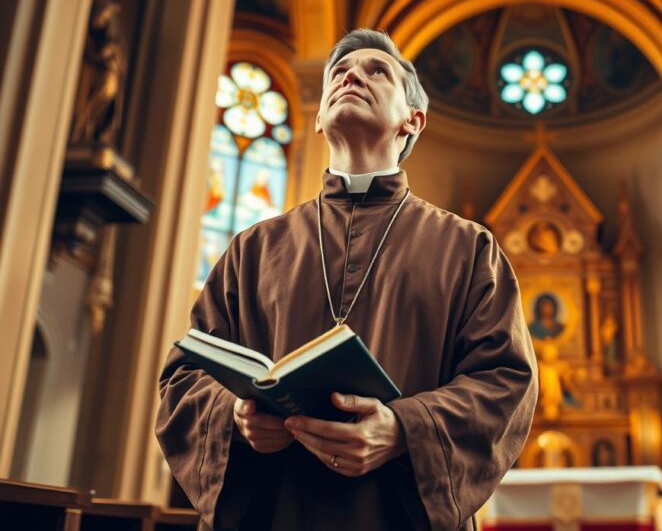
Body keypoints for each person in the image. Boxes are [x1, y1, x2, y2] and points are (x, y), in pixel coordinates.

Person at [155, 29, 538, 531]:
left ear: (412, 120)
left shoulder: (467, 249)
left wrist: (404, 429)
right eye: (339, 71)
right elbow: (181, 377)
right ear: (317, 119)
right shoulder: (254, 247)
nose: (351, 74)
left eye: (377, 70)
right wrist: (236, 417)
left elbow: (507, 381)